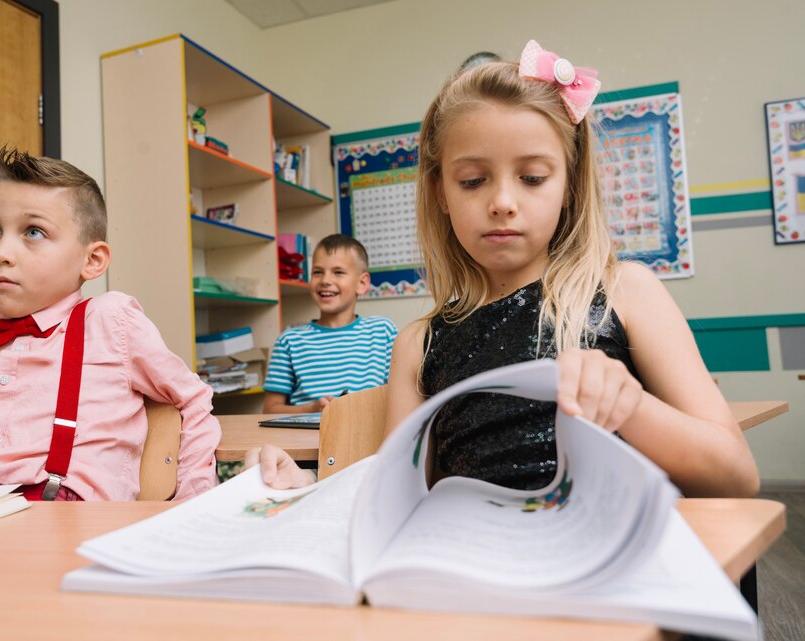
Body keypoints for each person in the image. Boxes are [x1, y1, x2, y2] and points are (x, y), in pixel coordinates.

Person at [248, 40, 759, 498]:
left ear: (570, 184)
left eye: (533, 177)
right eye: (472, 181)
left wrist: (632, 409)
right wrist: (305, 486)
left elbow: (735, 475)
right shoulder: (418, 343)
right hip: (471, 581)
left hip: (602, 581)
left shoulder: (627, 292)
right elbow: (392, 490)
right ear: (440, 194)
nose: (503, 202)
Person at [0, 147, 221, 502]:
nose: (0, 251)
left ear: (92, 260)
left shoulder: (111, 323)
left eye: (33, 232)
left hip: (66, 530)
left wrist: (195, 505)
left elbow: (192, 401)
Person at [262, 234, 398, 414]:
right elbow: (270, 410)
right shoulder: (289, 341)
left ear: (362, 283)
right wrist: (311, 409)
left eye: (338, 272)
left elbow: (401, 397)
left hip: (369, 437)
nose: (325, 280)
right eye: (317, 272)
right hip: (307, 439)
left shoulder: (383, 332)